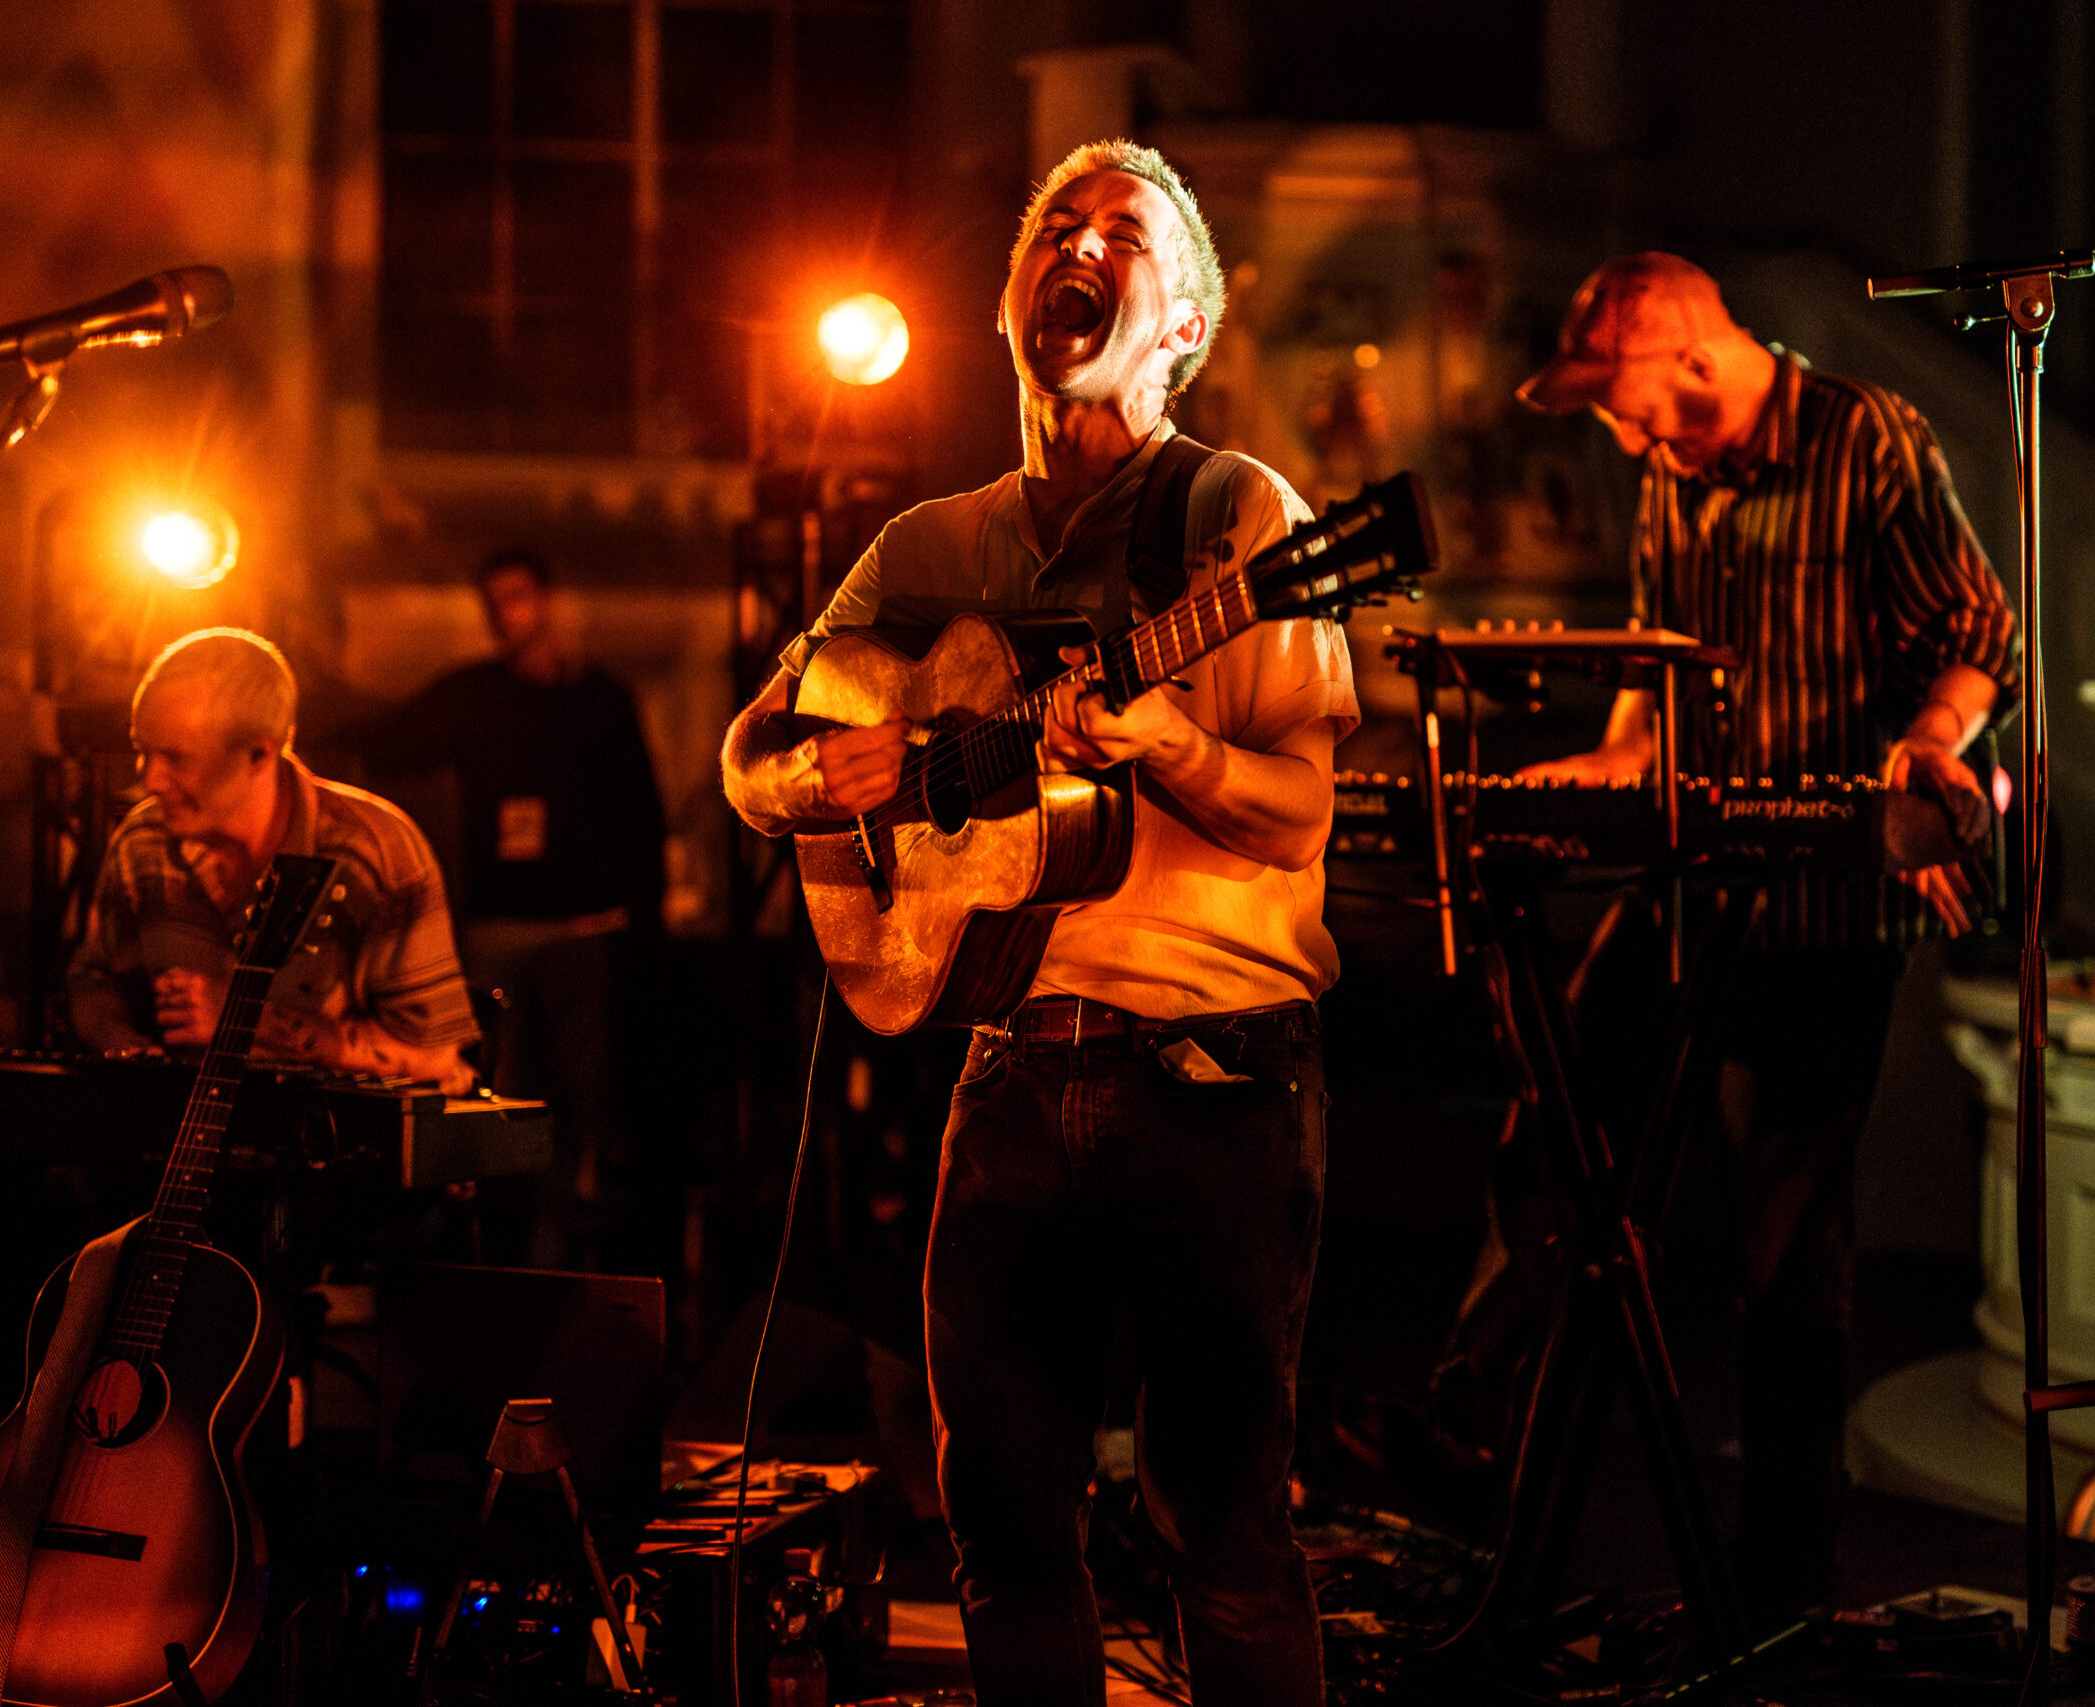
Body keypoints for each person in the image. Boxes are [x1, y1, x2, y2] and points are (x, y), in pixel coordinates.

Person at [722, 139, 1356, 1705]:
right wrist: (817, 774)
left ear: (1183, 326)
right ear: (1006, 303)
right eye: (1053, 225)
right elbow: (752, 753)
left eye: (1121, 233)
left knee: (1223, 1531)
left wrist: (1173, 746)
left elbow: (1302, 814)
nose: (1078, 242)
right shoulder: (928, 546)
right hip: (1009, 1064)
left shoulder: (1237, 514)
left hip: (1214, 1074)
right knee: (1001, 1523)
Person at [1514, 253, 2012, 1618]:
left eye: (1622, 405)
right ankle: (1474, 1444)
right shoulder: (1670, 473)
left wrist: (1932, 738)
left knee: (1786, 1249)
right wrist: (1592, 768)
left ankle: (1782, 1584)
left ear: (1690, 359)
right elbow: (1653, 676)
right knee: (1553, 1128)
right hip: (1689, 879)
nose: (1624, 440)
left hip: (1818, 909)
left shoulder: (1866, 438)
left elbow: (1979, 625)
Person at [362, 548, 666, 1267]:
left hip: (587, 928)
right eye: (495, 601)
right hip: (499, 930)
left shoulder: (601, 701)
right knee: (497, 1091)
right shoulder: (473, 695)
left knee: (583, 1095)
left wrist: (644, 920)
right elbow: (388, 744)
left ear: (547, 599)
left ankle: (562, 1257)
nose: (507, 614)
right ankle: (498, 1257)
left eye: (518, 596)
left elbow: (642, 814)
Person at [68, 627, 479, 1088]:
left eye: (177, 759)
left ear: (259, 754)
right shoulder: (142, 841)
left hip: (329, 1126)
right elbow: (93, 980)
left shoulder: (374, 852)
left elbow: (432, 1055)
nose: (151, 780)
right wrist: (125, 1048)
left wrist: (246, 1020)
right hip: (182, 1124)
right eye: (142, 753)